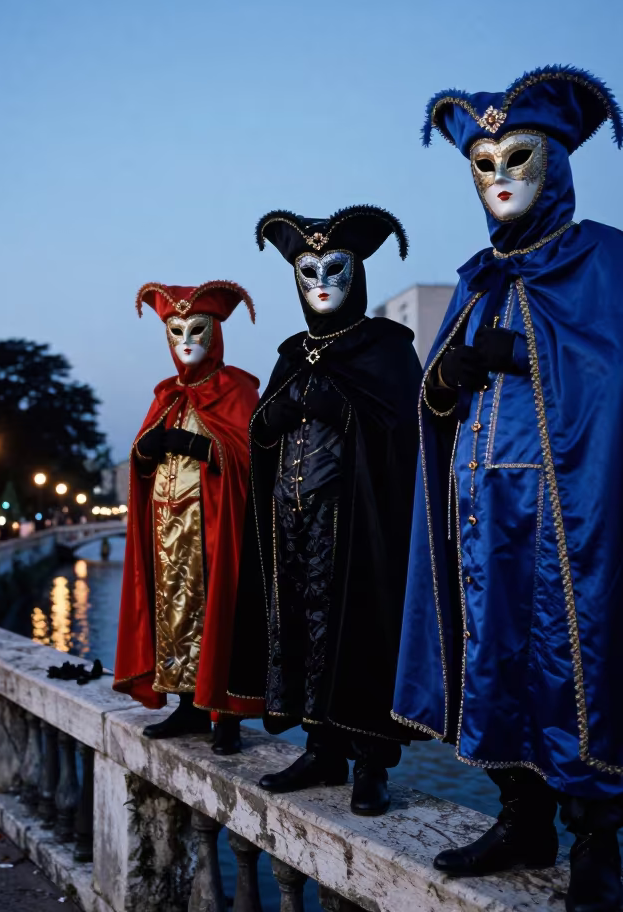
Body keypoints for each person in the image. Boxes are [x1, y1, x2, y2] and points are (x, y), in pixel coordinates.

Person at [392, 66, 623, 912]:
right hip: (482, 516)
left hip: (572, 514)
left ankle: (596, 844)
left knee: (579, 669)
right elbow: (436, 402)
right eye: (482, 162)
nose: (499, 175)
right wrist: (450, 375)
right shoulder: (474, 279)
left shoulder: (605, 259)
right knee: (496, 665)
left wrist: (514, 354)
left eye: (518, 156)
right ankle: (521, 818)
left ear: (558, 163)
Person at [228, 205, 423, 817]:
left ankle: (370, 761)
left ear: (357, 273)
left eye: (334, 268)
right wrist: (275, 418)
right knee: (302, 631)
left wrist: (345, 412)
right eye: (308, 269)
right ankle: (322, 747)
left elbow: (406, 432)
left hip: (358, 526)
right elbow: (262, 433)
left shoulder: (386, 348)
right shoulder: (292, 353)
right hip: (293, 527)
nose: (321, 281)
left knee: (360, 632)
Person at [114, 281, 263, 755]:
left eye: (197, 329)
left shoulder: (236, 389)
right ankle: (187, 704)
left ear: (215, 333)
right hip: (165, 531)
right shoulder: (166, 396)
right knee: (172, 614)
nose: (186, 339)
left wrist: (201, 447)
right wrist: (146, 449)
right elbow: (141, 456)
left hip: (214, 530)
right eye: (176, 330)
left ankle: (226, 717)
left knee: (219, 616)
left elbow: (252, 457)